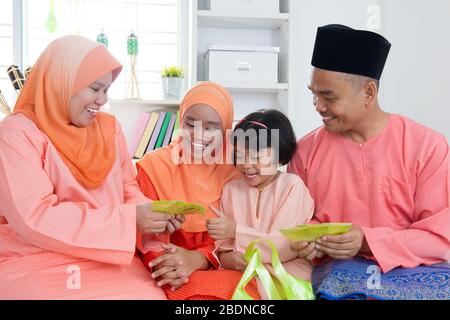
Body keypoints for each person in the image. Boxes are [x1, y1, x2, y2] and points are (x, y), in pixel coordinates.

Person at [0, 35, 182, 299]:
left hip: (107, 257)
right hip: (36, 258)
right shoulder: (16, 133)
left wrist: (151, 217)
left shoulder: (109, 128)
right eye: (95, 89)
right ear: (62, 83)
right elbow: (34, 217)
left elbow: (127, 190)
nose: (101, 100)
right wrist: (130, 220)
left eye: (106, 90)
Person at [288, 24, 450, 299]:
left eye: (329, 97)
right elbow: (301, 221)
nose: (318, 106)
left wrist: (367, 240)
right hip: (338, 276)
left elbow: (439, 236)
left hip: (412, 272)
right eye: (314, 94)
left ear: (369, 93)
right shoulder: (304, 150)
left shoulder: (428, 147)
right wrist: (311, 241)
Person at [136, 82, 259, 300]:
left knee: (247, 291)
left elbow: (245, 231)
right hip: (172, 267)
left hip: (220, 262)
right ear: (180, 119)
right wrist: (168, 264)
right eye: (190, 124)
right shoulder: (152, 166)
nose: (199, 135)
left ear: (226, 130)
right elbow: (145, 235)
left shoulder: (239, 170)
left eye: (211, 127)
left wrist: (200, 258)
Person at [208, 110, 314, 298]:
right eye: (240, 155)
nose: (246, 164)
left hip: (286, 275)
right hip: (241, 273)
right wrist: (225, 257)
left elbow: (285, 246)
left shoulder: (292, 186)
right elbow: (223, 243)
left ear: (280, 155)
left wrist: (236, 232)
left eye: (256, 157)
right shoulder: (230, 190)